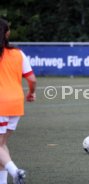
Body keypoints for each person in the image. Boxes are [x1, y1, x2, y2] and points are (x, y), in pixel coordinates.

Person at [0, 18, 36, 184]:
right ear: (7, 33)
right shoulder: (18, 53)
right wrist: (31, 93)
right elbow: (32, 79)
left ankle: (15, 171)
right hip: (16, 104)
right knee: (2, 145)